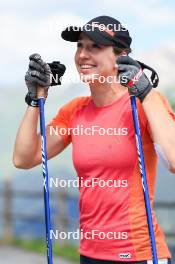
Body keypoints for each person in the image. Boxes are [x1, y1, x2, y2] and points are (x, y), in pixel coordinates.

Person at [13, 15, 175, 264]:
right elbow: (24, 158)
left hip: (140, 253)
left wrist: (145, 91)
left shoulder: (143, 104)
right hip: (90, 254)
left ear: (121, 56)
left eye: (95, 46)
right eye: (80, 45)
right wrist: (35, 99)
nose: (83, 55)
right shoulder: (75, 111)